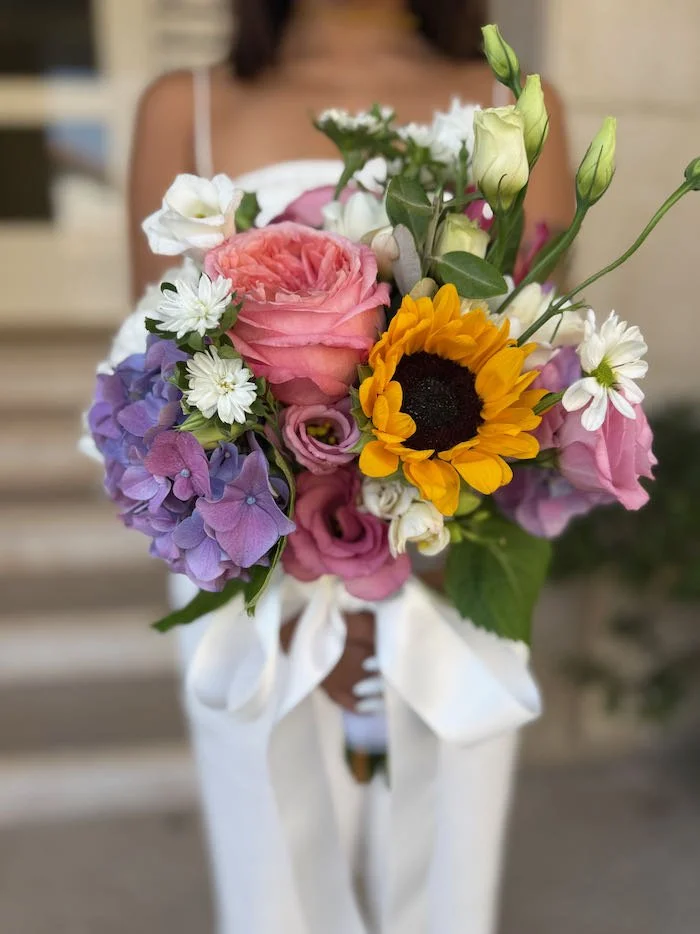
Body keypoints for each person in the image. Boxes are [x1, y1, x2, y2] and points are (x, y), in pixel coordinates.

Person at [127, 2, 572, 932]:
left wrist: (406, 567)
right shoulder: (185, 106)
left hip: (451, 561)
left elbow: (536, 378)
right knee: (273, 875)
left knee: (446, 871)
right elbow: (158, 378)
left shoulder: (516, 107)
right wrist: (307, 588)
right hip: (253, 583)